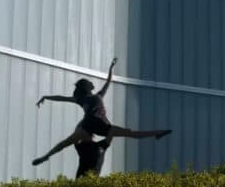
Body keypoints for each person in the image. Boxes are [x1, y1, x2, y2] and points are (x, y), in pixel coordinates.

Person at [32, 57, 171, 166]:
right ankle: (157, 133)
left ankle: (46, 156)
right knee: (131, 134)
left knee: (66, 142)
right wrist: (111, 68)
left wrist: (46, 97)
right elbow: (108, 82)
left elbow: (62, 98)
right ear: (88, 88)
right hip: (101, 125)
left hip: (90, 125)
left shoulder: (82, 99)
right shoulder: (94, 96)